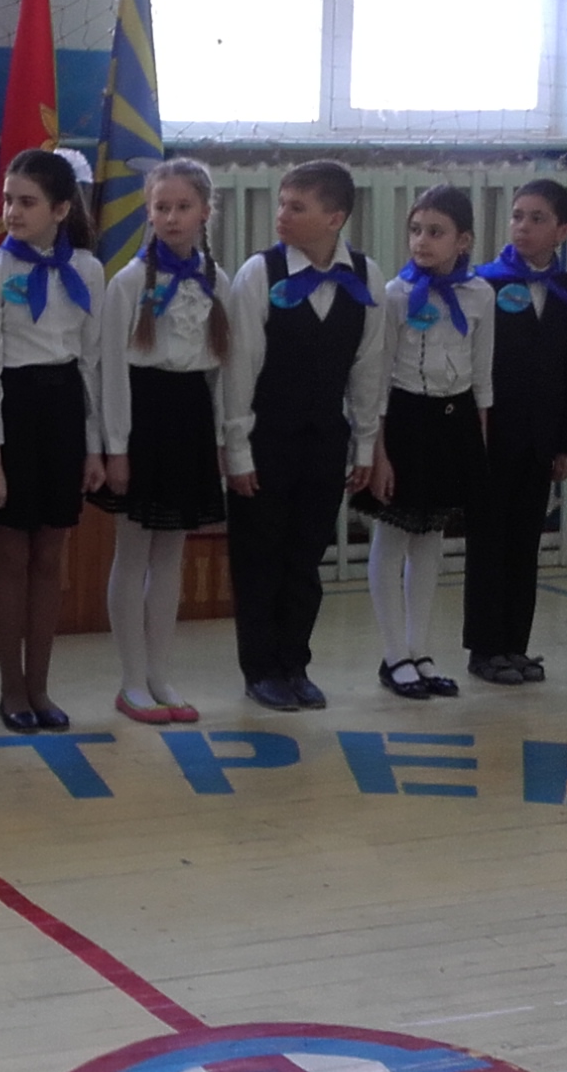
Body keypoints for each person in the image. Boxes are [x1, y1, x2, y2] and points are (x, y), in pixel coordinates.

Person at [220, 160, 386, 711]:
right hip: (266, 438)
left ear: (334, 218)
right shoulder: (259, 273)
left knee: (305, 556)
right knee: (259, 556)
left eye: (297, 206)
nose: (282, 215)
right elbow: (239, 367)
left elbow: (368, 367)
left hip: (324, 439)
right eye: (282, 203)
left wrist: (365, 443)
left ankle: (295, 663)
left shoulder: (365, 275)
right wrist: (237, 449)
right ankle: (260, 668)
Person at [0, 146, 104, 733]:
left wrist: (95, 446)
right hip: (13, 409)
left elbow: (92, 363)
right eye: (8, 200)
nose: (13, 212)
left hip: (63, 410)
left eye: (27, 202)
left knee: (51, 556)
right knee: (9, 557)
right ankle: (11, 689)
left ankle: (42, 687)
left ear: (60, 208)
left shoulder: (89, 270)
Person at [93, 158, 228, 726]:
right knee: (133, 553)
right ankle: (131, 681)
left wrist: (220, 440)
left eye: (183, 207)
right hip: (142, 419)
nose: (171, 217)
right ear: (148, 213)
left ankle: (159, 674)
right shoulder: (127, 282)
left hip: (189, 418)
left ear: (205, 212)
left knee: (170, 555)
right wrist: (116, 447)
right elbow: (111, 369)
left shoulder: (217, 281)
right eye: (161, 207)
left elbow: (221, 372)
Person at [358, 185, 492, 701]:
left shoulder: (481, 295)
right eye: (416, 230)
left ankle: (420, 649)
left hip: (453, 422)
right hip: (404, 419)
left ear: (463, 241)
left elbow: (482, 375)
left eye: (435, 232)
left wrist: (477, 443)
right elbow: (378, 375)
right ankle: (394, 654)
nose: (422, 241)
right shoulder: (395, 294)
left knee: (431, 539)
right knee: (392, 537)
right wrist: (378, 451)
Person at [462, 178, 567, 684]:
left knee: (523, 545)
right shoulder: (483, 285)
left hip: (540, 440)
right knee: (488, 544)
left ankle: (515, 644)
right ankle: (484, 648)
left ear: (563, 230)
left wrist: (566, 443)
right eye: (517, 216)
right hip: (494, 436)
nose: (523, 227)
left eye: (537, 218)